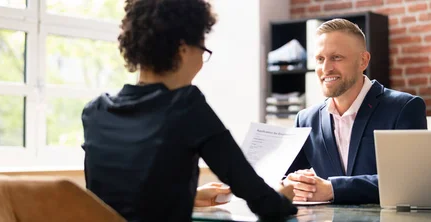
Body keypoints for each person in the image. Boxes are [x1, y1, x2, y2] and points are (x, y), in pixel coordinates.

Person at [81, 0, 297, 221]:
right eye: (203, 50)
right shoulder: (185, 105)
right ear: (183, 50)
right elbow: (262, 201)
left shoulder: (95, 111)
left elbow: (118, 200)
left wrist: (189, 196)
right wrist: (283, 196)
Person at [283, 18, 428, 204]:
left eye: (336, 57)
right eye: (320, 59)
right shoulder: (305, 119)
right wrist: (293, 183)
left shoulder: (404, 108)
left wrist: (332, 189)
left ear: (363, 61)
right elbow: (286, 181)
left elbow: (411, 182)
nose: (325, 68)